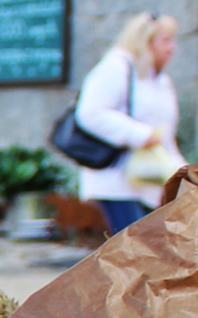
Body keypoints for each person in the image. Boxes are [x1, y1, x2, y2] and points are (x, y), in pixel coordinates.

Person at [72, 13, 181, 235]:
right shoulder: (117, 67)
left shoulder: (160, 80)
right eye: (165, 40)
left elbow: (165, 135)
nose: (172, 48)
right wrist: (141, 135)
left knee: (144, 251)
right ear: (145, 41)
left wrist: (180, 171)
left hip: (147, 180)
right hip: (116, 180)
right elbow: (91, 113)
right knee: (137, 250)